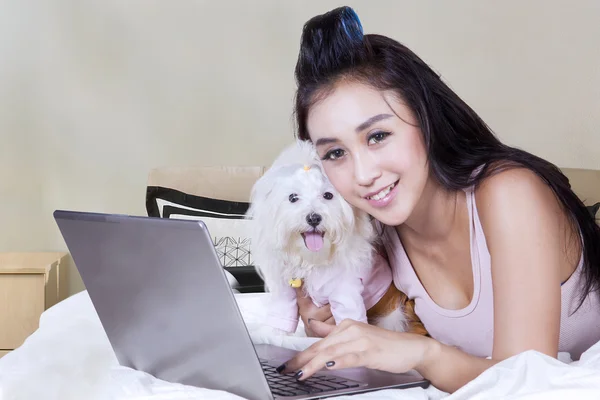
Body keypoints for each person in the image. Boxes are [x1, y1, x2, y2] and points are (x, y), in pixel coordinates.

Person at [276, 6, 600, 393]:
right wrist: (338, 328)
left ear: (425, 117)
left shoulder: (510, 193)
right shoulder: (376, 229)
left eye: (377, 136)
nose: (363, 176)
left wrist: (422, 354)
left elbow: (525, 380)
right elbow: (392, 331)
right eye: (335, 153)